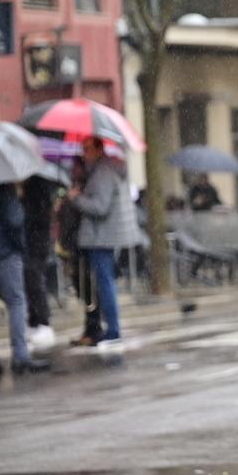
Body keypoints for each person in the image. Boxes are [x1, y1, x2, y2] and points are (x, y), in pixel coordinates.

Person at [68, 137, 137, 347]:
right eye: (83, 149)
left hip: (100, 237)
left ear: (99, 149)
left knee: (104, 283)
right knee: (103, 283)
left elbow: (100, 207)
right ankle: (110, 328)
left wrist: (76, 199)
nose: (84, 153)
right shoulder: (103, 170)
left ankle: (113, 330)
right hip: (104, 235)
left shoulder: (103, 173)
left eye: (88, 148)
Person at [0, 182, 50, 378]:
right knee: (17, 301)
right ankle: (20, 356)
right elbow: (15, 219)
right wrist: (18, 246)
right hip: (5, 253)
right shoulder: (2, 187)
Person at [61, 159, 102, 347]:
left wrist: (75, 199)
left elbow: (91, 210)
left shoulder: (86, 189)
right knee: (82, 288)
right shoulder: (74, 188)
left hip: (82, 245)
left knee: (88, 290)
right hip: (73, 244)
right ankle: (90, 328)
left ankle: (94, 329)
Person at [22, 173, 59, 350]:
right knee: (30, 282)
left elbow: (37, 216)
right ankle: (35, 321)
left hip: (36, 243)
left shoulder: (37, 189)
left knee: (35, 281)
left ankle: (42, 321)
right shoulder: (33, 188)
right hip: (33, 242)